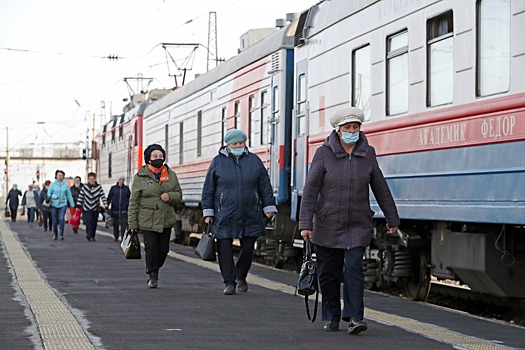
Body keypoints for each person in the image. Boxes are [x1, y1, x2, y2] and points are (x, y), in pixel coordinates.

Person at [299, 106, 400, 334]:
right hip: (327, 223)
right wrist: (306, 223)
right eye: (347, 127)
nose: (352, 131)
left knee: (354, 268)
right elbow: (311, 189)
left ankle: (355, 317)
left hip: (357, 223)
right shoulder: (323, 154)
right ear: (338, 130)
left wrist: (392, 217)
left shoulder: (368, 153)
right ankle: (331, 315)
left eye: (356, 127)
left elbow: (380, 187)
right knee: (328, 273)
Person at [202, 129, 277, 295]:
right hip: (224, 212)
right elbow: (209, 188)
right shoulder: (217, 162)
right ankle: (229, 282)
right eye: (235, 144)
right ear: (227, 145)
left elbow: (264, 185)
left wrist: (269, 206)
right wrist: (208, 212)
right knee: (224, 248)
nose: (238, 146)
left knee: (249, 247)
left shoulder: (254, 161)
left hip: (250, 211)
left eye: (241, 143)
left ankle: (241, 274)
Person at [128, 144, 182, 288]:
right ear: (148, 159)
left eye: (160, 156)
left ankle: (155, 268)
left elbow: (179, 195)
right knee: (151, 247)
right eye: (155, 156)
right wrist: (132, 223)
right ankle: (153, 275)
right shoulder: (140, 176)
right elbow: (134, 201)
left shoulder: (171, 175)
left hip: (166, 219)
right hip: (147, 219)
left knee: (164, 249)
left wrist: (170, 196)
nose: (158, 158)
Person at [76, 172, 108, 241]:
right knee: (88, 221)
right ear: (88, 179)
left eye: (93, 179)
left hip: (95, 208)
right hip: (86, 208)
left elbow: (102, 196)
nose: (91, 180)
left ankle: (92, 235)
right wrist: (78, 205)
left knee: (94, 222)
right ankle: (88, 234)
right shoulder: (85, 187)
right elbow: (81, 196)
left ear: (95, 179)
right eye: (90, 179)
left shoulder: (98, 187)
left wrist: (105, 204)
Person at [47, 170, 75, 240]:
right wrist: (54, 196)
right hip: (54, 204)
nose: (60, 177)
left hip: (63, 204)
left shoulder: (65, 185)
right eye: (59, 175)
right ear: (56, 176)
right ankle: (55, 234)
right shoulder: (52, 184)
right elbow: (49, 194)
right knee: (54, 220)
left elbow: (69, 195)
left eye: (61, 175)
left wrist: (72, 204)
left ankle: (61, 233)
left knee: (61, 218)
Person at [107, 175, 131, 242]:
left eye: (123, 179)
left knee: (124, 225)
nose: (121, 181)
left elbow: (130, 198)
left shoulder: (126, 188)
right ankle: (116, 236)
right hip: (115, 209)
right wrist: (107, 205)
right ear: (118, 180)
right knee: (115, 225)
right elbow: (109, 197)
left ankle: (123, 237)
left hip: (124, 210)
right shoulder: (113, 188)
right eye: (120, 179)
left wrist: (129, 206)